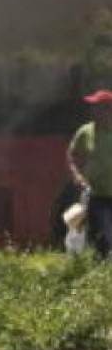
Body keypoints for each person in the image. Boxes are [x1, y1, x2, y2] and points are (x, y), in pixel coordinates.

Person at [67, 88, 112, 257]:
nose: (92, 110)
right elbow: (72, 155)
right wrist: (76, 174)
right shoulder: (86, 131)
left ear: (109, 109)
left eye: (96, 106)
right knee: (105, 236)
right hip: (96, 195)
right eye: (92, 106)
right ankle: (103, 271)